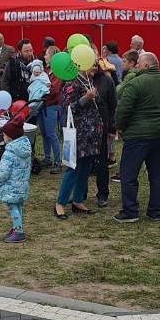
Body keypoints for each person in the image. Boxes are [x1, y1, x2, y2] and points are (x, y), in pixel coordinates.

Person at [114, 51, 160, 222]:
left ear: (146, 65)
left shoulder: (135, 83)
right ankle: (155, 211)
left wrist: (120, 126)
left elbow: (123, 110)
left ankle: (130, 211)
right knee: (159, 175)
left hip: (137, 136)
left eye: (139, 63)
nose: (136, 66)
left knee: (129, 174)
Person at [54, 69, 103, 219]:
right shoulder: (72, 83)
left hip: (90, 133)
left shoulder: (89, 81)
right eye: (92, 64)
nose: (95, 67)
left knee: (85, 167)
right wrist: (86, 98)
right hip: (78, 133)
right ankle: (60, 203)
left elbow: (97, 104)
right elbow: (68, 107)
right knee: (73, 167)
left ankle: (78, 200)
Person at [0, 117, 32, 242]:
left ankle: (18, 231)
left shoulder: (10, 152)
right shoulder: (25, 149)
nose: (3, 137)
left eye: (4, 135)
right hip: (22, 184)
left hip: (11, 186)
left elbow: (3, 172)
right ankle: (16, 227)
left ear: (10, 136)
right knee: (17, 206)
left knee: (12, 207)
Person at [92, 59, 117, 207]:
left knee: (102, 162)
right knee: (83, 163)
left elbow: (113, 105)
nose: (93, 67)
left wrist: (112, 127)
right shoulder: (78, 79)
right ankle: (80, 194)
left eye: (95, 64)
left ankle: (103, 194)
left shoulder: (106, 80)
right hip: (83, 129)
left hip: (101, 127)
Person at [39, 48, 63, 173]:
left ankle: (58, 161)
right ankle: (47, 158)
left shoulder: (57, 72)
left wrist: (41, 89)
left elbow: (54, 90)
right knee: (44, 133)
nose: (44, 56)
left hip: (52, 106)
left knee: (51, 133)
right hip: (43, 105)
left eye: (46, 54)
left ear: (53, 57)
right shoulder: (46, 71)